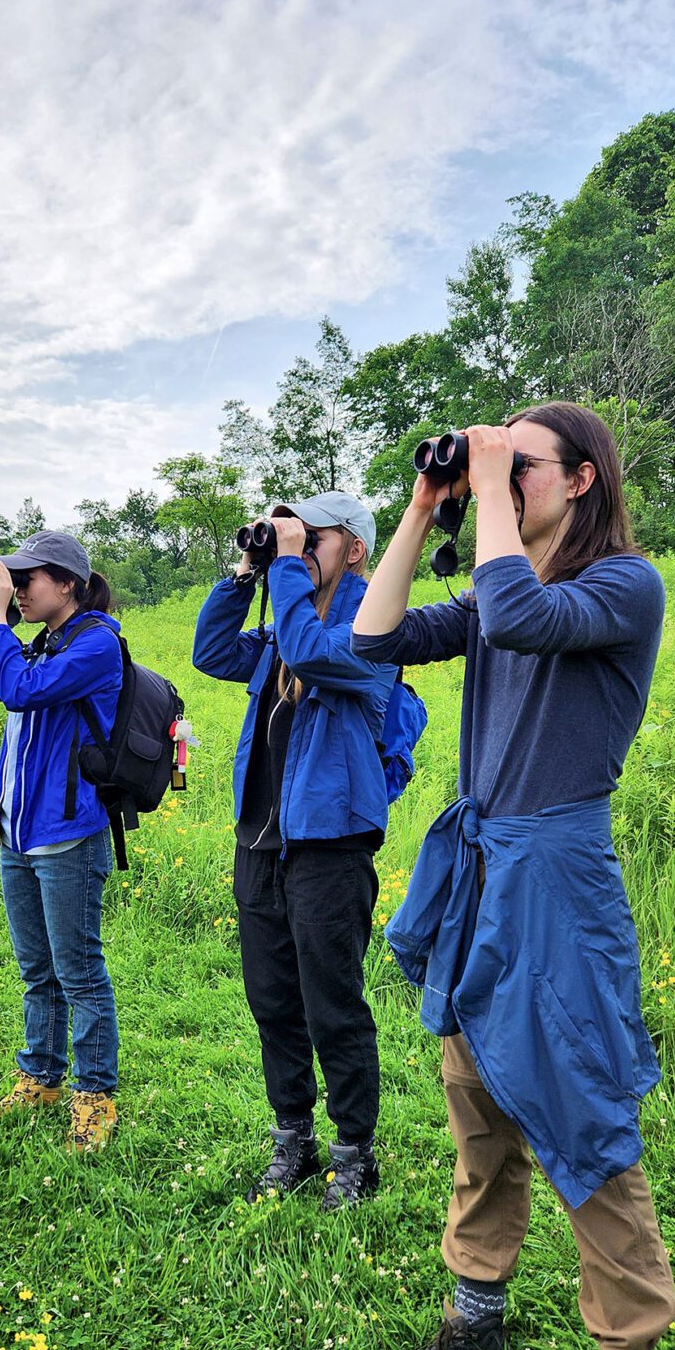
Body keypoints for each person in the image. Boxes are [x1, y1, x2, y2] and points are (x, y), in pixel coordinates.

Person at [351, 403, 675, 1350]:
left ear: (579, 479)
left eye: (521, 462)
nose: (502, 473)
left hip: (557, 880)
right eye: (499, 462)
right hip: (484, 871)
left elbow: (524, 616)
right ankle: (472, 1325)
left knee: (580, 1120)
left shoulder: (619, 586)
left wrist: (486, 494)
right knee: (475, 1103)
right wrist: (422, 504)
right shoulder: (498, 589)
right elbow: (375, 636)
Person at [192, 492, 398, 1210]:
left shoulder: (376, 623)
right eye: (293, 535)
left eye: (315, 536)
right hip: (262, 839)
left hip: (331, 842)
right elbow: (213, 650)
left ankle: (356, 1156)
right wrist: (248, 571)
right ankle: (293, 1141)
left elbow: (315, 649)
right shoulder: (285, 628)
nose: (300, 545)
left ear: (357, 549)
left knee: (330, 1003)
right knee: (273, 1001)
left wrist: (285, 566)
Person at [0, 530, 123, 1153]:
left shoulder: (96, 645)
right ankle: (41, 1077)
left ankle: (94, 1097)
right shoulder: (39, 647)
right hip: (16, 832)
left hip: (68, 835)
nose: (14, 592)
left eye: (26, 580)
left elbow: (18, 690)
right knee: (36, 968)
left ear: (65, 583)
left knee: (79, 973)